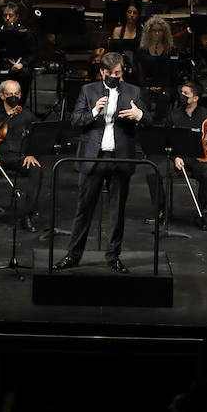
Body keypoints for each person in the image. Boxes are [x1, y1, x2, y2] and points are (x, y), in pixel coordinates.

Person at [55, 52, 146, 272]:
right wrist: (95, 110)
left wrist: (139, 114)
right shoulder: (88, 90)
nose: (117, 76)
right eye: (113, 73)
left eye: (120, 72)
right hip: (93, 158)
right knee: (84, 209)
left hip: (120, 159)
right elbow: (75, 121)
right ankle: (73, 255)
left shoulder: (133, 91)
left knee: (117, 212)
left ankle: (113, 256)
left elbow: (150, 121)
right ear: (103, 72)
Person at [0, 80, 43, 231]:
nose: (14, 97)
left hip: (21, 158)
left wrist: (31, 154)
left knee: (37, 171)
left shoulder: (28, 116)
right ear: (1, 96)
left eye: (16, 94)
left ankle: (28, 215)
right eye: (9, 94)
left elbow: (37, 139)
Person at [151, 79, 207, 230]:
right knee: (152, 172)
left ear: (195, 98)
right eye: (182, 93)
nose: (182, 96)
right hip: (177, 157)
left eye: (186, 94)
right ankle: (162, 210)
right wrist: (175, 157)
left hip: (198, 159)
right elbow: (166, 140)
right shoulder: (173, 115)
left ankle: (201, 212)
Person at [133, 15, 177, 125]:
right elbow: (138, 71)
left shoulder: (170, 49)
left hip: (165, 84)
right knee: (143, 99)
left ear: (164, 32)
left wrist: (163, 86)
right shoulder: (142, 50)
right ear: (149, 32)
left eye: (160, 31)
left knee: (164, 98)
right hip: (146, 84)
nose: (157, 34)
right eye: (154, 31)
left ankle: (160, 129)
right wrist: (147, 86)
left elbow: (173, 73)